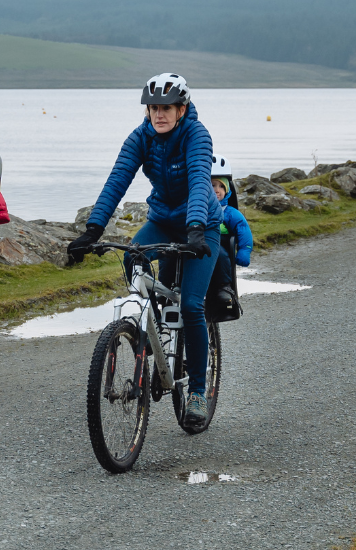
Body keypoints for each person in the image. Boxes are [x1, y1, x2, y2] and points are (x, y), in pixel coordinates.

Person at [66, 73, 223, 429]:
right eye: (153, 107)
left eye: (166, 107)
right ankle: (148, 329)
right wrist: (92, 230)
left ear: (182, 109)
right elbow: (117, 180)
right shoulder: (140, 138)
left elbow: (200, 180)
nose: (159, 114)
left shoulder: (196, 135)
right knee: (131, 256)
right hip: (164, 222)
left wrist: (196, 228)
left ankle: (197, 390)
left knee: (191, 305)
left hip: (203, 227)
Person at [209, 155, 254, 309]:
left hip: (220, 244)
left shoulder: (229, 212)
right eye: (212, 185)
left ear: (227, 189)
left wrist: (244, 251)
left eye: (221, 186)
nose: (216, 190)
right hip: (199, 242)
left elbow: (243, 229)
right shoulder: (195, 208)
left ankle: (224, 287)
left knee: (221, 256)